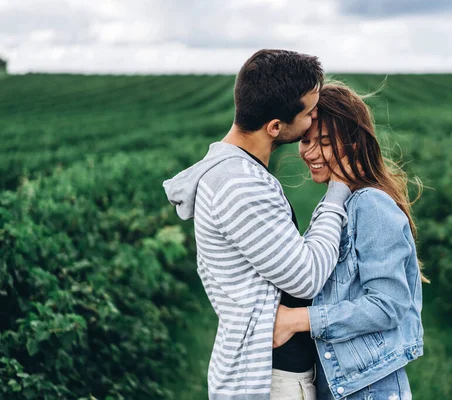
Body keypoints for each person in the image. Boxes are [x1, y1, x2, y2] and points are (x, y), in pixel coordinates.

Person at [162, 50, 352, 399]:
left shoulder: (241, 174)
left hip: (275, 371)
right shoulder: (238, 184)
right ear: (275, 127)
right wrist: (339, 190)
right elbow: (306, 275)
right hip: (269, 378)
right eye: (309, 112)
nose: (314, 118)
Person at [273, 83, 428, 399]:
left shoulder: (370, 204)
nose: (311, 152)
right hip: (344, 384)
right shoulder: (340, 202)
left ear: (354, 144)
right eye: (306, 140)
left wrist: (298, 320)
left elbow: (388, 305)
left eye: (326, 142)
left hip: (369, 388)